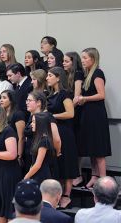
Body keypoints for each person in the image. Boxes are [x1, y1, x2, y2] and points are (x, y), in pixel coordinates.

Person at [76, 48, 111, 190]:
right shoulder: (86, 74)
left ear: (93, 59)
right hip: (88, 114)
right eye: (82, 58)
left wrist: (84, 98)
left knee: (99, 150)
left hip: (96, 115)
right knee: (91, 149)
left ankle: (103, 180)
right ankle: (94, 177)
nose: (83, 60)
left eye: (85, 58)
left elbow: (101, 95)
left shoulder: (98, 73)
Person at [46, 67, 79, 208]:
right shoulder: (51, 95)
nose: (47, 78)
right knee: (57, 165)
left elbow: (70, 113)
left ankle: (67, 195)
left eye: (50, 75)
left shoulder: (65, 94)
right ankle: (57, 195)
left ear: (58, 77)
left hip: (64, 132)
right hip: (53, 132)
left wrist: (52, 116)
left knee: (67, 164)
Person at [24, 91, 61, 176]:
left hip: (42, 158)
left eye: (29, 100)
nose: (27, 103)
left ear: (39, 103)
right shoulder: (31, 116)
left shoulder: (47, 116)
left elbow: (56, 139)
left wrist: (58, 152)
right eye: (27, 100)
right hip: (31, 155)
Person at [62, 52, 84, 187]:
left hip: (76, 113)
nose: (63, 63)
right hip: (70, 111)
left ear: (73, 62)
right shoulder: (66, 75)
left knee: (76, 146)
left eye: (66, 61)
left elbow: (76, 96)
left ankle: (78, 174)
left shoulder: (78, 74)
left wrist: (66, 110)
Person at [23, 112, 55, 184]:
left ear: (41, 124)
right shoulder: (38, 138)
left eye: (34, 122)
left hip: (42, 176)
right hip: (36, 174)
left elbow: (38, 165)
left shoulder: (44, 141)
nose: (31, 124)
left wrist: (25, 178)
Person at [0, 90, 26, 164]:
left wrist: (19, 155)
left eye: (4, 98)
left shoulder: (18, 114)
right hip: (3, 151)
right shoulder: (1, 115)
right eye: (0, 98)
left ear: (11, 100)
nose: (1, 100)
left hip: (14, 151)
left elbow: (21, 137)